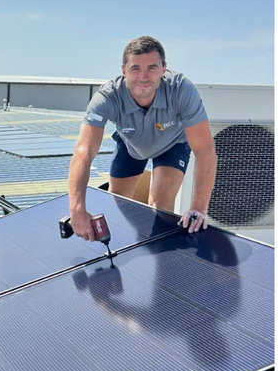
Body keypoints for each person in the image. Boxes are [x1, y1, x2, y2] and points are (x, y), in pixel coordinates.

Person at [68, 36, 217, 240]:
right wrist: (77, 208)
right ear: (124, 70)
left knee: (160, 210)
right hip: (130, 144)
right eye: (136, 68)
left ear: (164, 69)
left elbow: (205, 149)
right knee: (117, 203)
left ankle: (158, 256)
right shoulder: (107, 97)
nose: (143, 76)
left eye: (152, 68)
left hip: (172, 145)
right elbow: (84, 150)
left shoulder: (182, 90)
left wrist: (198, 207)